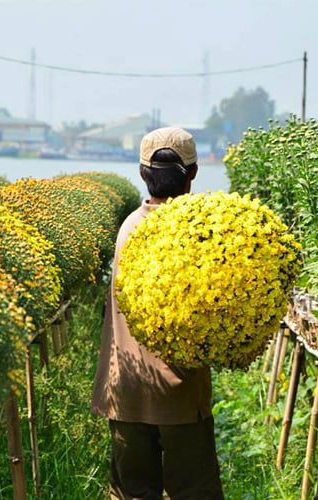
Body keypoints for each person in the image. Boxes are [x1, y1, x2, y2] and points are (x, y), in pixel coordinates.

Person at [92, 127, 224, 500]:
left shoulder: (130, 227)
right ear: (194, 173)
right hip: (182, 396)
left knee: (134, 492)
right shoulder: (200, 231)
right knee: (194, 492)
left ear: (142, 173)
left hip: (128, 390)